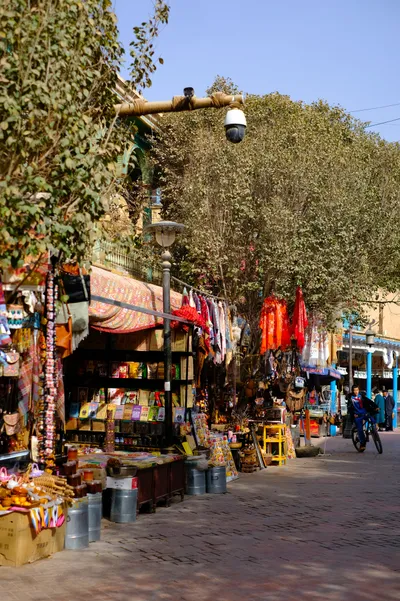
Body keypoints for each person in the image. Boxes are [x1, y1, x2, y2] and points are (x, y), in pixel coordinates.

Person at [347, 385, 368, 450]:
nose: (356, 392)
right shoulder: (351, 398)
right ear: (353, 391)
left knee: (372, 418)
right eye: (354, 390)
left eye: (357, 390)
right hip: (357, 415)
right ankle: (362, 444)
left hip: (363, 412)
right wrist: (353, 414)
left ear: (359, 390)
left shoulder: (362, 396)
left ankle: (374, 429)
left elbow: (367, 403)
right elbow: (350, 408)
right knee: (360, 429)